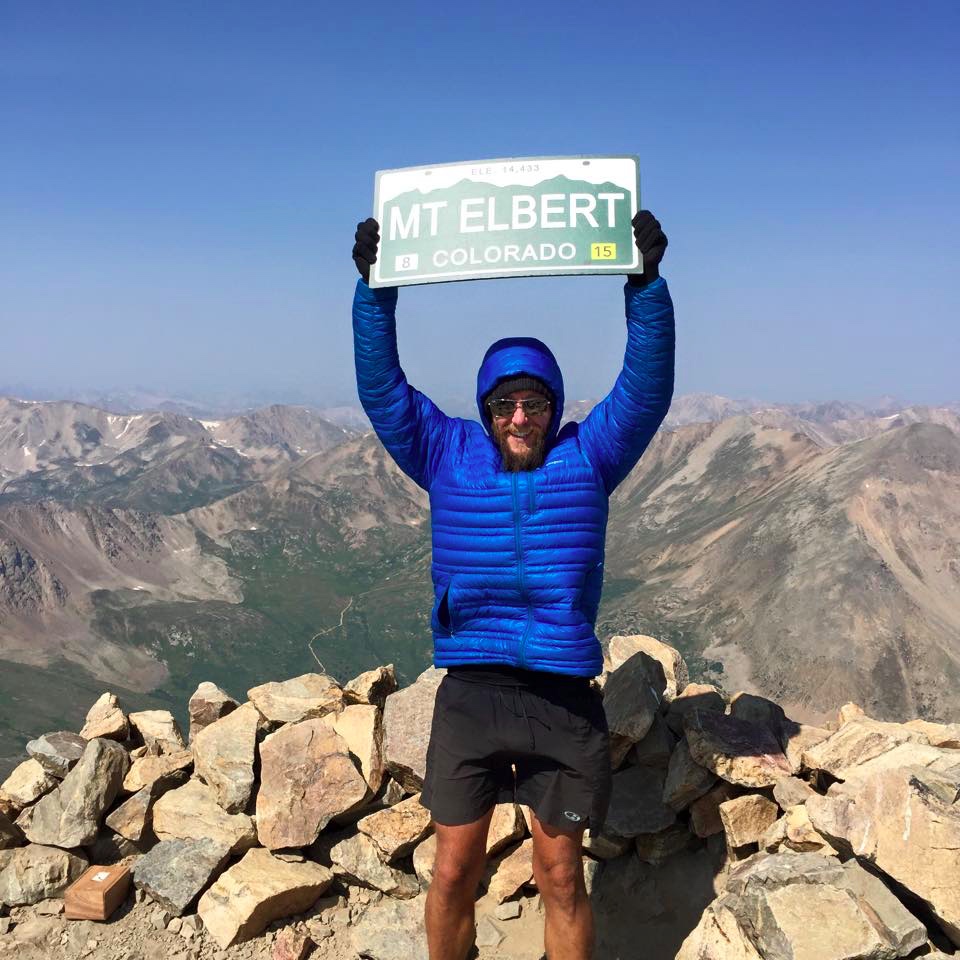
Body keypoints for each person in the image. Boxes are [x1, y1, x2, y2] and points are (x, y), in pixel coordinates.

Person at [351, 209, 675, 960]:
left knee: (561, 876)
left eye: (535, 401)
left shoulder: (589, 457)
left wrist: (645, 287)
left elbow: (646, 389)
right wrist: (375, 295)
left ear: (554, 407)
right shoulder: (445, 453)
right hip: (471, 690)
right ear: (485, 409)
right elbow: (383, 392)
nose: (520, 416)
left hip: (561, 696)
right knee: (454, 871)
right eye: (505, 403)